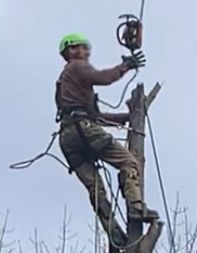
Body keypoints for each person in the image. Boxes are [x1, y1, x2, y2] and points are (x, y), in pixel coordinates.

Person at [55, 33, 160, 236]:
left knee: (96, 189)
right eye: (82, 48)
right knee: (129, 162)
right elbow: (103, 78)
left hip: (68, 139)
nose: (86, 53)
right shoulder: (77, 66)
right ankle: (136, 206)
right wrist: (126, 66)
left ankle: (113, 233)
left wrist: (126, 117)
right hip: (84, 129)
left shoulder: (64, 83)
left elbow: (96, 117)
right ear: (70, 50)